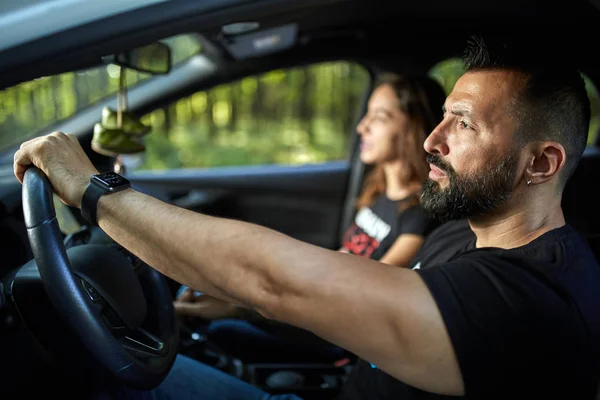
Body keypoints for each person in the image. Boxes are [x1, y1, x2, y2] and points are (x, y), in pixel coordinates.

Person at [13, 32, 600, 399]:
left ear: (541, 164)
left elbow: (280, 281)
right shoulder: (460, 234)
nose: (432, 140)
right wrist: (233, 306)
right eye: (442, 116)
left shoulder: (532, 302)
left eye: (464, 124)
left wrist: (94, 190)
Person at [173, 72, 446, 364]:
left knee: (219, 330)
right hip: (320, 303)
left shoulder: (418, 215)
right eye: (366, 115)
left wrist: (242, 305)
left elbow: (364, 300)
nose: (361, 126)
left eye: (378, 117)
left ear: (414, 125)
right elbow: (338, 263)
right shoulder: (378, 194)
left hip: (336, 334)